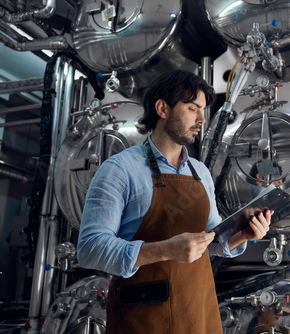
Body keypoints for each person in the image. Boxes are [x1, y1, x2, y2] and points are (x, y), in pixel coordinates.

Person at [77, 70, 272, 333]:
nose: (202, 119)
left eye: (203, 110)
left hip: (199, 315)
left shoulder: (200, 171)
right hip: (145, 320)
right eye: (193, 108)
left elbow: (210, 241)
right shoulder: (119, 169)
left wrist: (241, 234)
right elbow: (90, 249)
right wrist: (166, 250)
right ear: (162, 108)